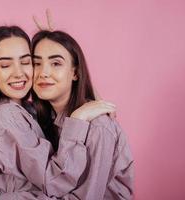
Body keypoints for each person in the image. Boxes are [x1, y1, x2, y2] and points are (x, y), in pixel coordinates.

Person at [0, 26, 116, 199]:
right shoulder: (6, 116)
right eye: (5, 65)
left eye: (26, 62)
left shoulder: (29, 110)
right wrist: (78, 119)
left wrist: (55, 44)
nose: (18, 73)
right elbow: (55, 182)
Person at [32, 30, 134, 199]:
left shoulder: (98, 127)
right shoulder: (40, 117)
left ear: (75, 73)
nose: (43, 72)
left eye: (56, 63)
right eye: (36, 63)